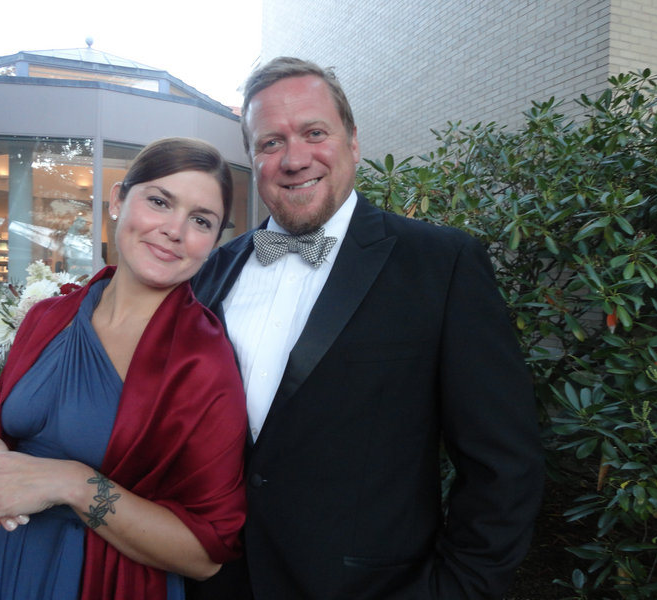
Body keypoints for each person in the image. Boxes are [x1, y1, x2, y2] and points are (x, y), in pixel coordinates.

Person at [188, 57, 545, 599]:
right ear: (253, 159)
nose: (294, 159)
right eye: (270, 143)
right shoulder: (212, 272)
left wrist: (458, 589)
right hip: (217, 582)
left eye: (314, 133)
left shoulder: (441, 264)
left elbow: (504, 465)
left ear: (353, 141)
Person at [0, 138, 247, 600]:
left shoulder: (203, 362)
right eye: (160, 201)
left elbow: (205, 555)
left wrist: (73, 484)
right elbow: (10, 437)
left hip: (105, 581)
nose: (174, 230)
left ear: (213, 242)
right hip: (5, 564)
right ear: (117, 200)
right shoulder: (47, 317)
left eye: (201, 220)